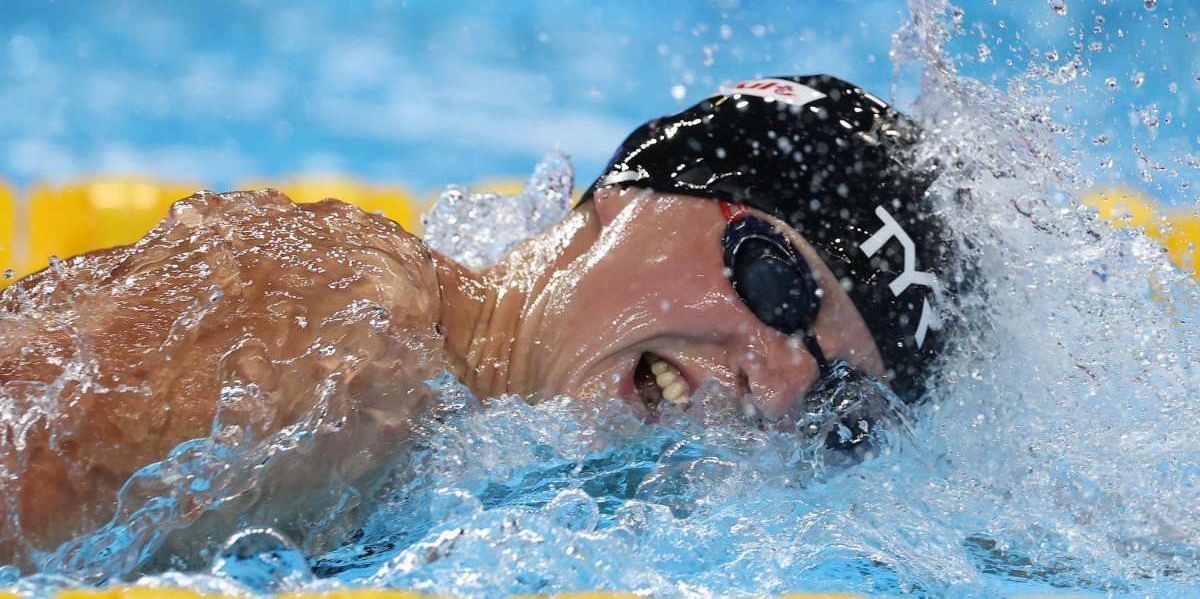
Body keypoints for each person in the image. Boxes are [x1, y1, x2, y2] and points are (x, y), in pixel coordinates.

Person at [0, 74, 948, 572]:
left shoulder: (451, 445)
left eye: (837, 406)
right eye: (781, 286)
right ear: (631, 192)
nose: (777, 386)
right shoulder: (352, 345)